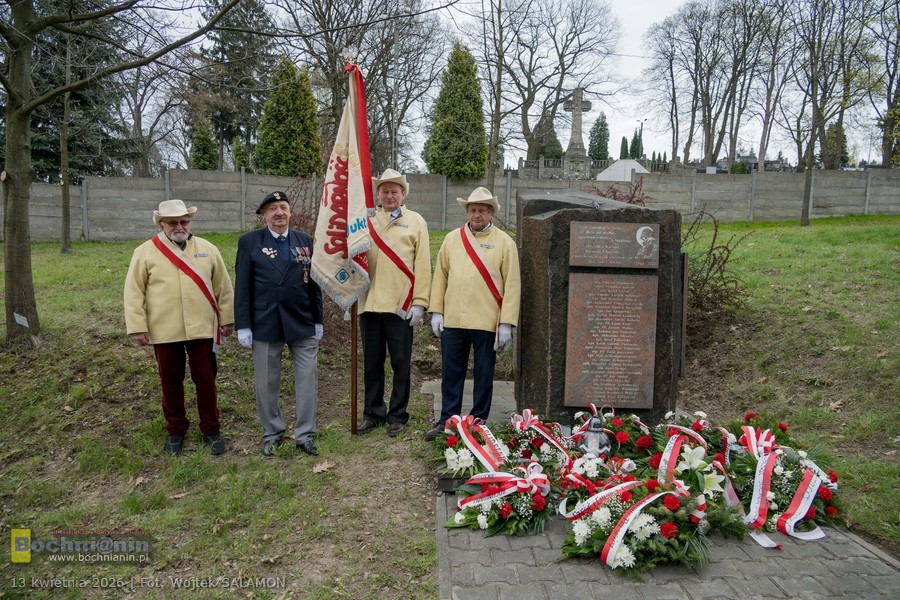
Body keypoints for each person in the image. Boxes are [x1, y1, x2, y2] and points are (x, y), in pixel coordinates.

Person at [124, 199, 234, 456]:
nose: (179, 226)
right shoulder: (144, 252)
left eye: (184, 221)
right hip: (164, 330)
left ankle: (211, 428)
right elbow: (133, 292)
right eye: (172, 222)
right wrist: (137, 326)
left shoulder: (208, 249)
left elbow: (224, 288)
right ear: (161, 224)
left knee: (206, 381)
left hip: (202, 328)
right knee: (170, 383)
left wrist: (227, 319)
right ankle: (176, 430)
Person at [424, 187, 521, 441]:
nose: (477, 214)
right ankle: (448, 419)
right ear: (467, 211)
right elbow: (440, 277)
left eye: (482, 210)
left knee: (484, 374)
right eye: (473, 209)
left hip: (487, 320)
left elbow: (512, 284)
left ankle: (478, 422)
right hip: (454, 318)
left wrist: (506, 323)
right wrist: (437, 311)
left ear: (491, 213)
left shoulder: (505, 243)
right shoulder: (451, 239)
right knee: (451, 372)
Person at [234, 191, 324, 457]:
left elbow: (314, 284)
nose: (279, 213)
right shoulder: (250, 242)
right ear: (263, 215)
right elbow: (243, 286)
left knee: (307, 379)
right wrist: (243, 324)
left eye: (283, 207)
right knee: (267, 382)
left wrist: (318, 319)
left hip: (301, 319)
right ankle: (272, 432)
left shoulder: (305, 241)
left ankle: (305, 434)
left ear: (290, 212)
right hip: (265, 321)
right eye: (272, 209)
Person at [356, 169, 432, 437]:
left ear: (403, 195)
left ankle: (397, 414)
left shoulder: (416, 222)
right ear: (378, 194)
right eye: (384, 191)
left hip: (401, 305)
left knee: (401, 363)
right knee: (372, 364)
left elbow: (423, 265)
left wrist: (420, 302)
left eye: (394, 191)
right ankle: (373, 412)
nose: (389, 196)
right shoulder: (364, 221)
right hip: (369, 303)